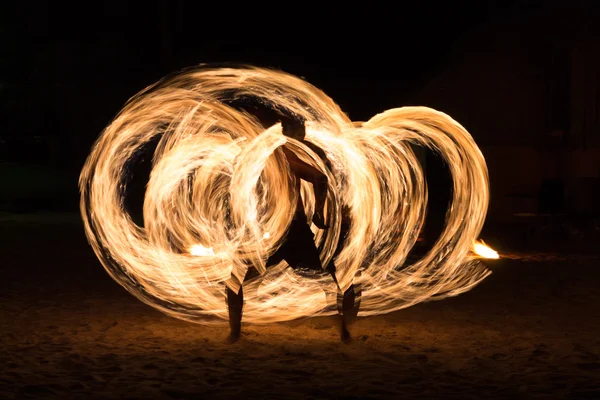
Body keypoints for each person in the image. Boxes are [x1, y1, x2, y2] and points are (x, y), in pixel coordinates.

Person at [225, 116, 360, 343]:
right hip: (290, 228)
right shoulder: (284, 155)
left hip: (277, 228)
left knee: (237, 281)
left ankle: (234, 334)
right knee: (328, 281)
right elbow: (320, 178)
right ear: (294, 132)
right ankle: (345, 333)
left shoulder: (274, 156)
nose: (305, 134)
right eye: (302, 130)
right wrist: (318, 211)